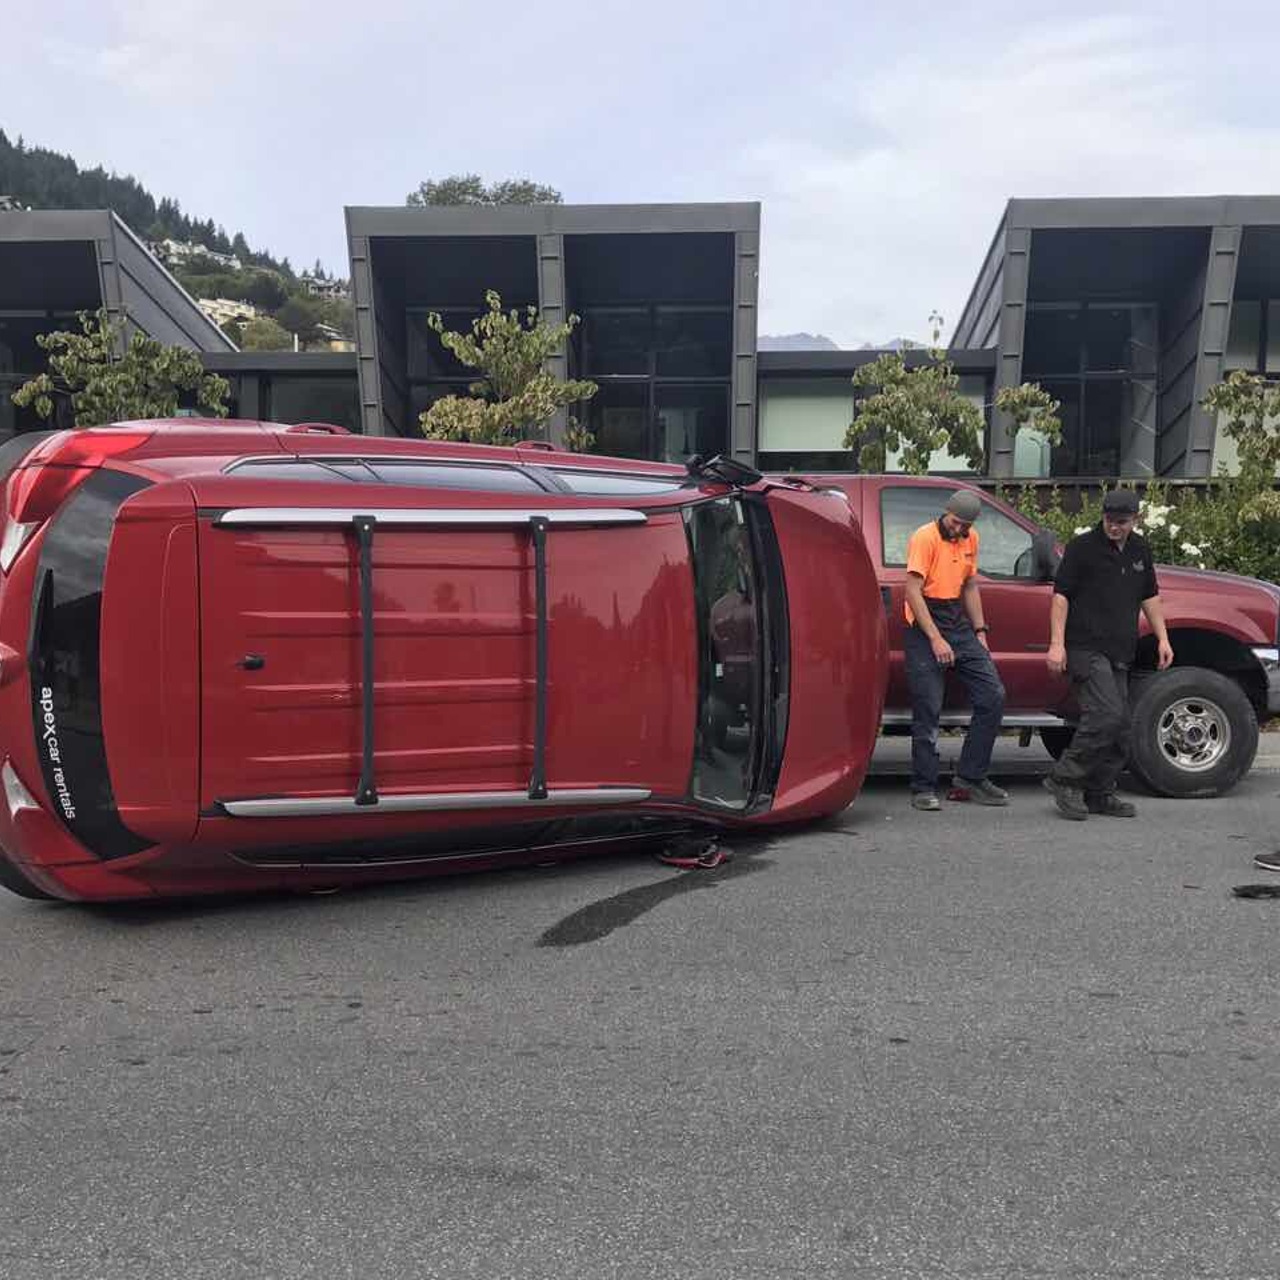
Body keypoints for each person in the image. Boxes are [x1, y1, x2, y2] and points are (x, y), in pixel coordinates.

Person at [1043, 489, 1174, 820]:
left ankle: (1099, 792)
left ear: (1135, 520)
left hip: (1120, 649)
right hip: (1085, 647)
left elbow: (1151, 596)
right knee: (1105, 715)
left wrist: (1163, 638)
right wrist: (1057, 644)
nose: (1114, 527)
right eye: (1109, 520)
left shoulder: (1140, 549)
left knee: (1123, 726)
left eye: (1121, 522)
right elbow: (1061, 597)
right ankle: (1065, 779)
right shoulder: (1082, 548)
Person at [902, 489, 1007, 811]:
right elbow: (912, 592)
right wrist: (935, 638)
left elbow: (970, 586)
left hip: (957, 622)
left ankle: (970, 779)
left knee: (993, 695)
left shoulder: (970, 538)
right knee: (928, 707)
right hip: (923, 624)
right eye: (956, 522)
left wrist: (980, 631)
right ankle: (923, 786)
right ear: (945, 512)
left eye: (965, 526)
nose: (959, 530)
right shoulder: (925, 537)